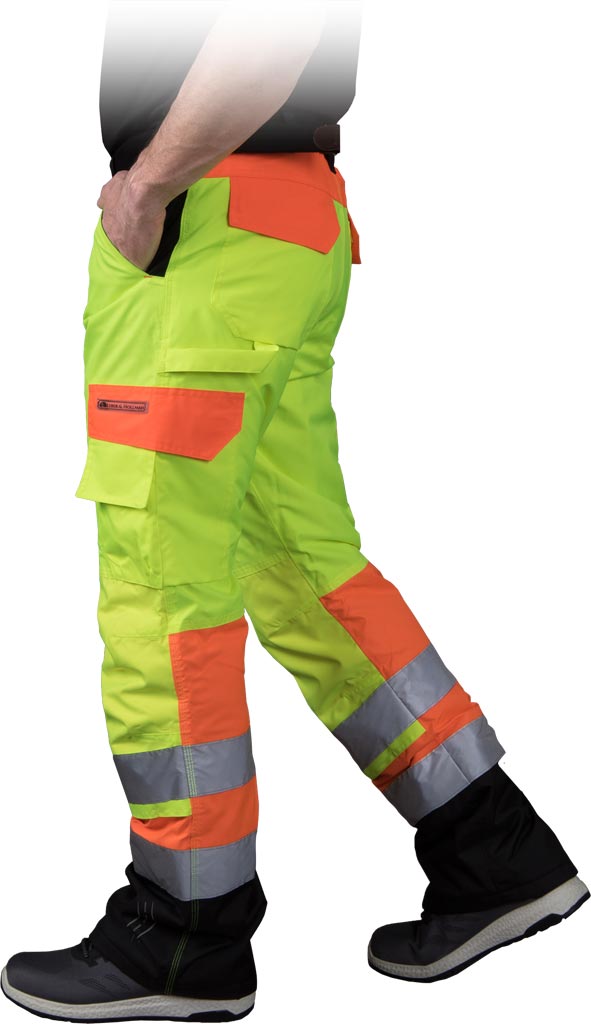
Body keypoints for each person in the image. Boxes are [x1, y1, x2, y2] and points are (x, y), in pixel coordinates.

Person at [1, 1, 587, 1020]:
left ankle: (187, 930)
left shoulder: (174, 185)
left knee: (161, 582)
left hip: (203, 219)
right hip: (288, 217)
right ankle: (492, 846)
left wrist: (147, 185)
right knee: (299, 566)